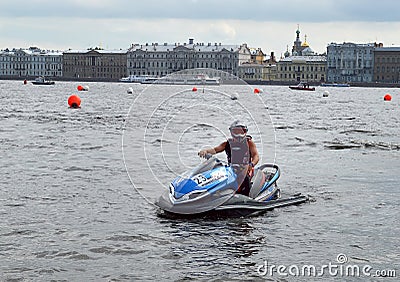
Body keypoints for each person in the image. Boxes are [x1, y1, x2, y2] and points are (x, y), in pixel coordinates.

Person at [198, 121, 260, 196]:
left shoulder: (249, 143)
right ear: (232, 132)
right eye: (236, 131)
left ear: (245, 132)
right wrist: (205, 151)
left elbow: (256, 156)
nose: (239, 134)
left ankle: (248, 196)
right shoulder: (227, 144)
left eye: (241, 131)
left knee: (244, 178)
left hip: (245, 168)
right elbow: (215, 150)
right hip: (231, 169)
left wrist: (252, 164)